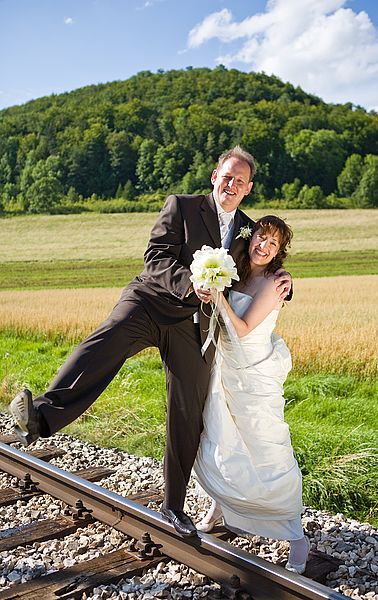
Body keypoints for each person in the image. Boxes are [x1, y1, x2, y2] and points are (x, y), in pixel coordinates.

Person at [9, 145, 292, 538]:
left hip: (192, 326)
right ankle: (39, 416)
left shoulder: (247, 228)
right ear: (215, 177)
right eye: (227, 177)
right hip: (149, 301)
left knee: (188, 408)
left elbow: (256, 264)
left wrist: (283, 280)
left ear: (248, 188)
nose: (232, 185)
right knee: (104, 343)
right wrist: (189, 283)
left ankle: (174, 506)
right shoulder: (182, 206)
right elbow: (155, 257)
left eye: (240, 181)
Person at [192, 215, 310, 574]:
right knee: (221, 437)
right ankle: (221, 505)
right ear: (253, 236)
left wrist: (218, 296)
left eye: (273, 243)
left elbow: (242, 329)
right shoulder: (238, 268)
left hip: (254, 376)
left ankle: (296, 536)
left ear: (279, 251)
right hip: (225, 367)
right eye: (261, 237)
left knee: (265, 448)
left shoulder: (276, 283)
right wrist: (210, 284)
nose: (264, 246)